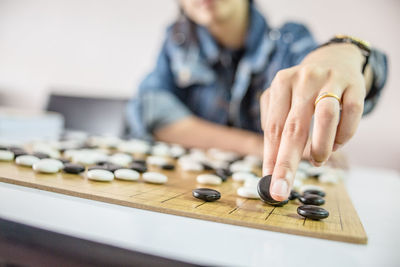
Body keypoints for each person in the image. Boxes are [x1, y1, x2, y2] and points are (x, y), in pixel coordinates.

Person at [127, 0, 388, 201]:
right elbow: (153, 111)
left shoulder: (289, 40)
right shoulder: (176, 40)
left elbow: (333, 77)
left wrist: (349, 53)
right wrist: (255, 145)